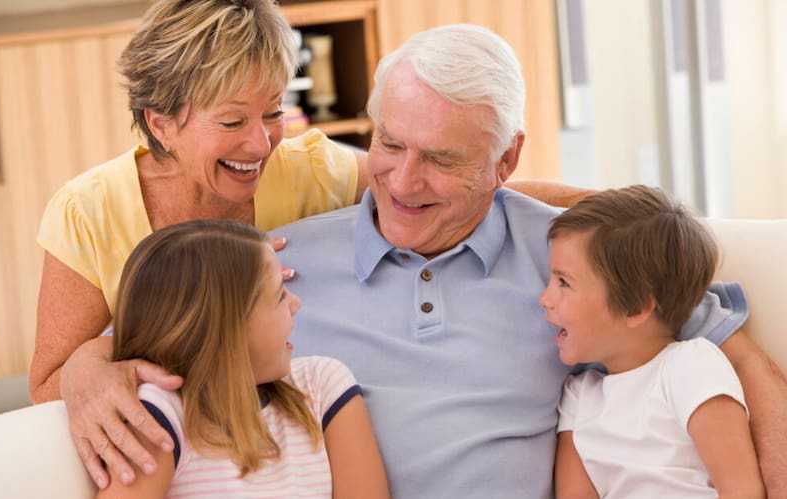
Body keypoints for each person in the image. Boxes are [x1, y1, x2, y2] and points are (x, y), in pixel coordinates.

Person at [60, 23, 787, 498]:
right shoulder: (276, 265)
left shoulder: (574, 259)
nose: (403, 183)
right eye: (390, 144)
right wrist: (87, 362)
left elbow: (731, 352)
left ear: (506, 160)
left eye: (441, 159)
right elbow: (158, 338)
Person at [31, 0, 584, 410]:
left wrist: (614, 207)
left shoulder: (307, 169)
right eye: (232, 121)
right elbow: (47, 381)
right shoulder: (89, 211)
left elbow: (458, 184)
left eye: (273, 113)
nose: (260, 145)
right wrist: (92, 362)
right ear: (161, 123)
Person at [98, 219, 389, 498]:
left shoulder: (322, 387)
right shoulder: (160, 416)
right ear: (227, 330)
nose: (296, 304)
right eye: (280, 296)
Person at [540, 185, 764, 498]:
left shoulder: (690, 367)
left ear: (635, 308)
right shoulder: (579, 397)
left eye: (564, 282)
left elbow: (742, 491)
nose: (545, 298)